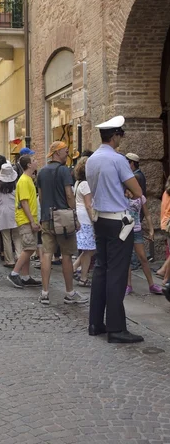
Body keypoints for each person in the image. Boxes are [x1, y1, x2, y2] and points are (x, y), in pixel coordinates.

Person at [86, 115, 144, 344]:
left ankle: (95, 323)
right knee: (117, 275)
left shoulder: (92, 160)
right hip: (118, 220)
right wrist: (125, 190)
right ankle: (116, 328)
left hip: (99, 219)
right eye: (121, 135)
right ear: (116, 136)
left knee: (101, 270)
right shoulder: (118, 159)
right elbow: (137, 191)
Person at [37, 142, 87, 306]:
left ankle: (44, 293)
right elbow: (69, 195)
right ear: (57, 153)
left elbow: (42, 197)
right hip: (64, 218)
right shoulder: (64, 171)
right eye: (65, 151)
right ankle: (69, 293)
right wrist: (75, 216)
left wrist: (44, 213)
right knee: (66, 255)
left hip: (47, 218)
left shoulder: (42, 171)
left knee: (46, 254)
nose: (67, 154)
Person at [5, 157, 41, 286]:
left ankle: (25, 276)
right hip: (26, 219)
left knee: (28, 247)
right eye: (34, 160)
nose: (37, 161)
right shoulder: (25, 180)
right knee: (30, 248)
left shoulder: (27, 179)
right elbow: (24, 202)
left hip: (28, 218)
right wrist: (32, 221)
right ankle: (14, 273)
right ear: (29, 164)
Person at [124, 189, 161, 295]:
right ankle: (128, 285)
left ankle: (151, 285)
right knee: (127, 258)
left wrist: (151, 229)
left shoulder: (141, 198)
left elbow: (147, 214)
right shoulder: (123, 196)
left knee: (143, 258)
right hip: (125, 230)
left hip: (136, 229)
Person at [0, 162, 21, 268]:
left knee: (6, 237)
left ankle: (9, 260)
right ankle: (20, 256)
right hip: (15, 211)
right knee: (17, 236)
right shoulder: (17, 185)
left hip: (3, 213)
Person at [73, 157, 96, 287]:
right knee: (89, 250)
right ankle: (83, 277)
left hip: (81, 218)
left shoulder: (78, 183)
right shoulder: (86, 184)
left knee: (89, 249)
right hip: (86, 220)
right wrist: (94, 220)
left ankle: (74, 267)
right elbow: (88, 205)